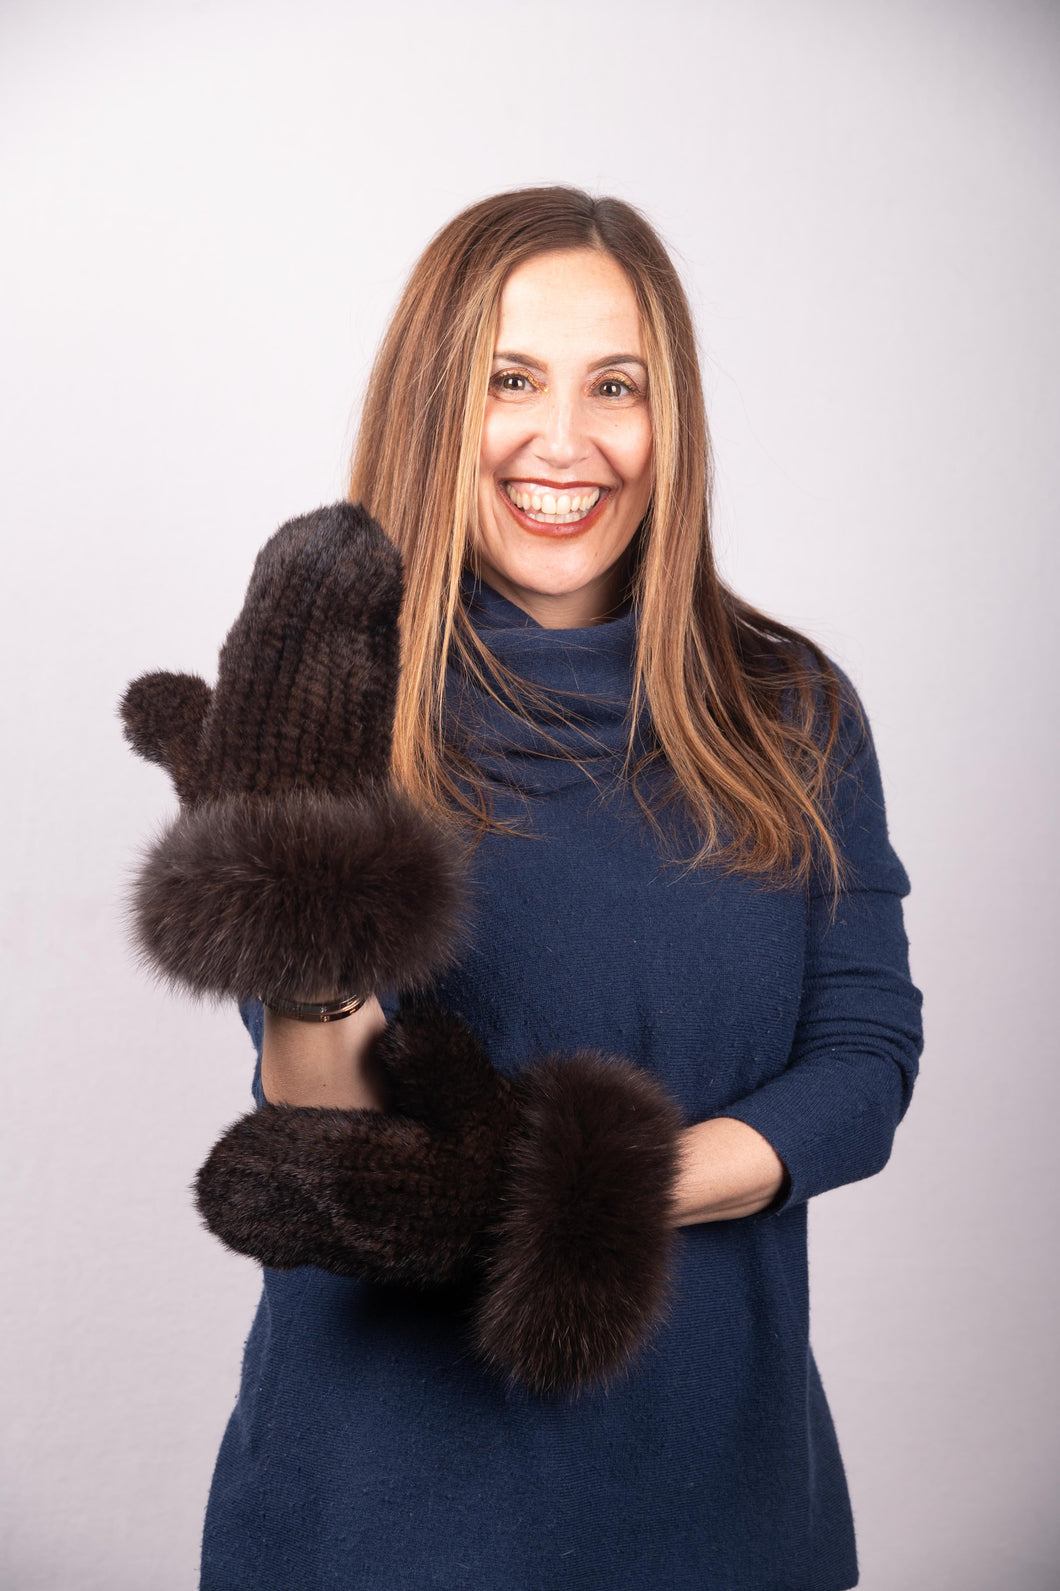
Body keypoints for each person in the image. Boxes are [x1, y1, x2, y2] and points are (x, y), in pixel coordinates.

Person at [120, 187, 924, 1590]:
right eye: (510, 380)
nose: (566, 441)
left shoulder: (791, 708)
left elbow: (863, 1060)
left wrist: (598, 1190)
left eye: (615, 385)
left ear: (668, 419)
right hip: (380, 1525)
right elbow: (320, 1109)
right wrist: (306, 937)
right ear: (438, 404)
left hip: (725, 1516)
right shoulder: (338, 698)